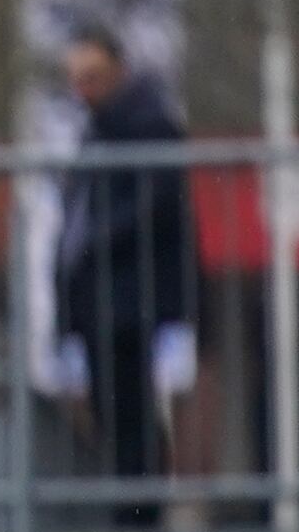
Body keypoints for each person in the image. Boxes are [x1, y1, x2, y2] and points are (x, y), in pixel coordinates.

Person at [51, 25, 198, 505]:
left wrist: (93, 242)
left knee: (128, 407)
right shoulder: (98, 129)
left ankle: (140, 514)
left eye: (92, 77)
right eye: (75, 79)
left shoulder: (147, 122)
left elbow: (154, 201)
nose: (83, 90)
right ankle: (135, 510)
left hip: (130, 294)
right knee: (114, 407)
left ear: (119, 72)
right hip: (102, 294)